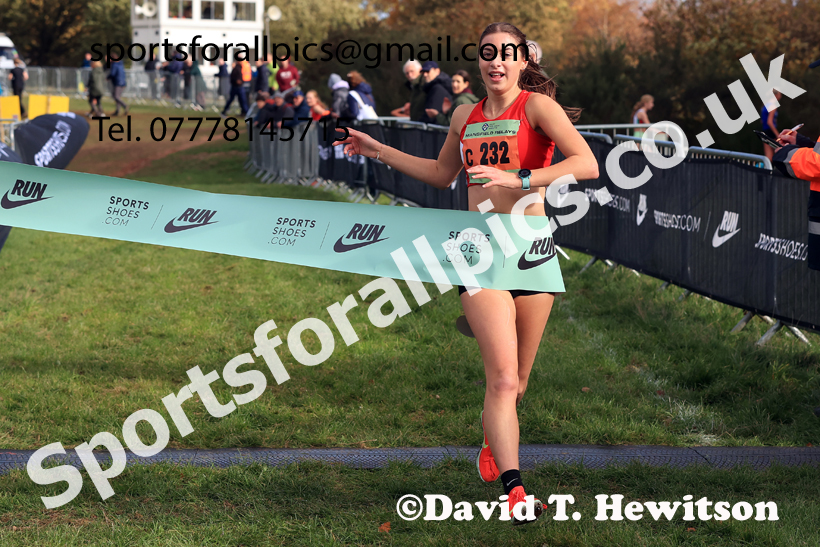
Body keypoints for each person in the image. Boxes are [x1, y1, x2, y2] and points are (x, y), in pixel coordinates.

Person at [335, 22, 597, 524]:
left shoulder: (538, 108)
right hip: (478, 251)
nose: (496, 62)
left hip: (533, 249)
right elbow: (440, 175)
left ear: (522, 61)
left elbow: (586, 164)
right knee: (500, 382)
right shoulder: (463, 115)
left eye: (506, 54)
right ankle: (516, 491)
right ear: (478, 61)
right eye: (487, 54)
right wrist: (378, 150)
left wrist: (517, 176)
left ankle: (491, 440)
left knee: (518, 383)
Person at [761, 90, 783, 162]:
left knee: (768, 156)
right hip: (771, 131)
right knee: (778, 154)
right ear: (776, 95)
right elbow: (769, 122)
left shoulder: (766, 105)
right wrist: (777, 135)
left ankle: (764, 171)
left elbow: (762, 121)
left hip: (765, 130)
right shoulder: (773, 106)